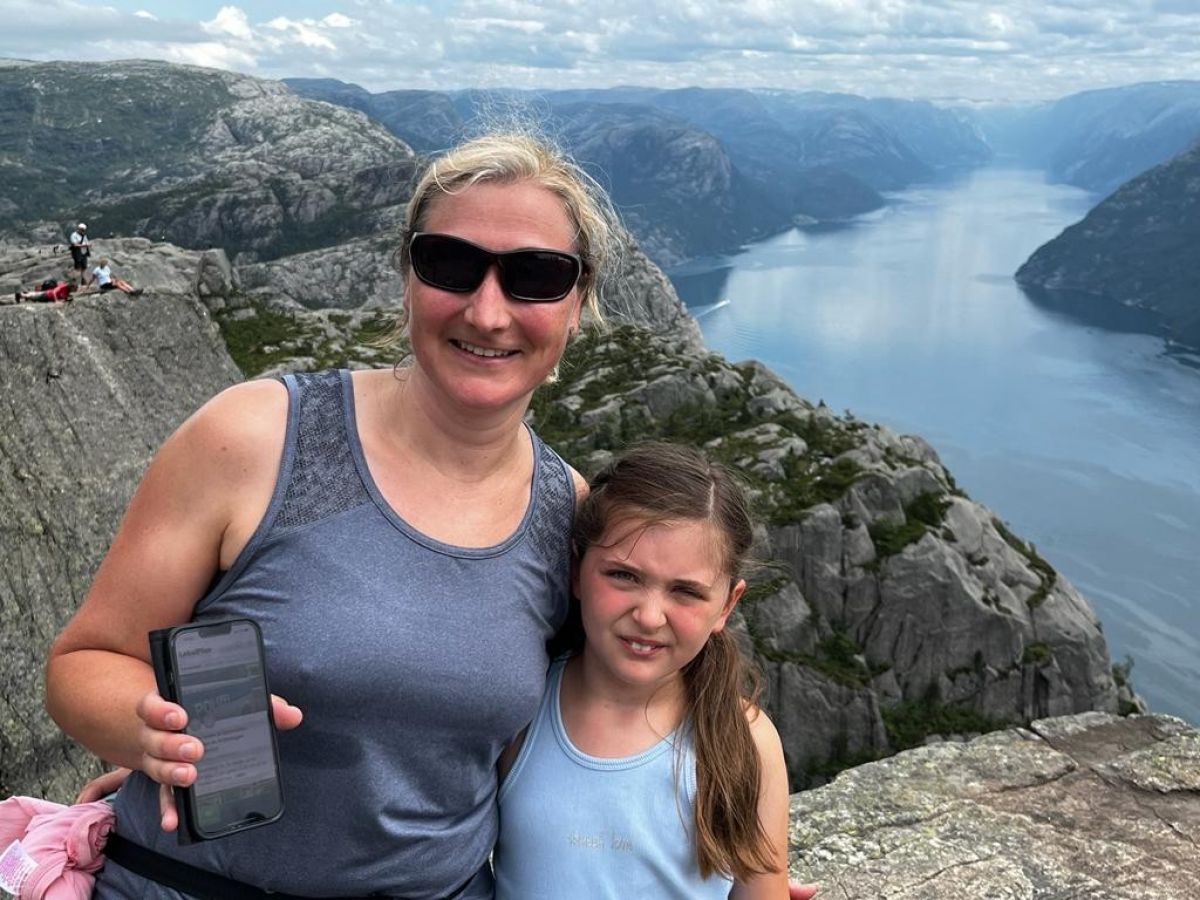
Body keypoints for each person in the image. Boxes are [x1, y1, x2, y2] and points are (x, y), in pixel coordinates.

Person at [54, 132, 819, 900]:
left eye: (535, 277)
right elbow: (82, 666)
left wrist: (734, 866)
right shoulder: (253, 438)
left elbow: (602, 707)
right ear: (408, 277)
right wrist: (154, 732)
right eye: (451, 264)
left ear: (577, 304)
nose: (488, 312)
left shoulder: (571, 515)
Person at [493, 442, 790, 898]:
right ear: (576, 570)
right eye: (624, 576)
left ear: (727, 605)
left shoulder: (746, 742)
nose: (650, 616)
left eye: (686, 592)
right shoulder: (518, 713)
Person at [69, 223, 90, 288]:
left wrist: (87, 244)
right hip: (77, 253)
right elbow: (74, 244)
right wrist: (83, 245)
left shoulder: (84, 235)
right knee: (78, 268)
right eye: (82, 230)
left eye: (83, 230)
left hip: (84, 252)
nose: (83, 231)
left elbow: (87, 242)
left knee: (84, 267)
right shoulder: (74, 235)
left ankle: (84, 282)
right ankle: (74, 282)